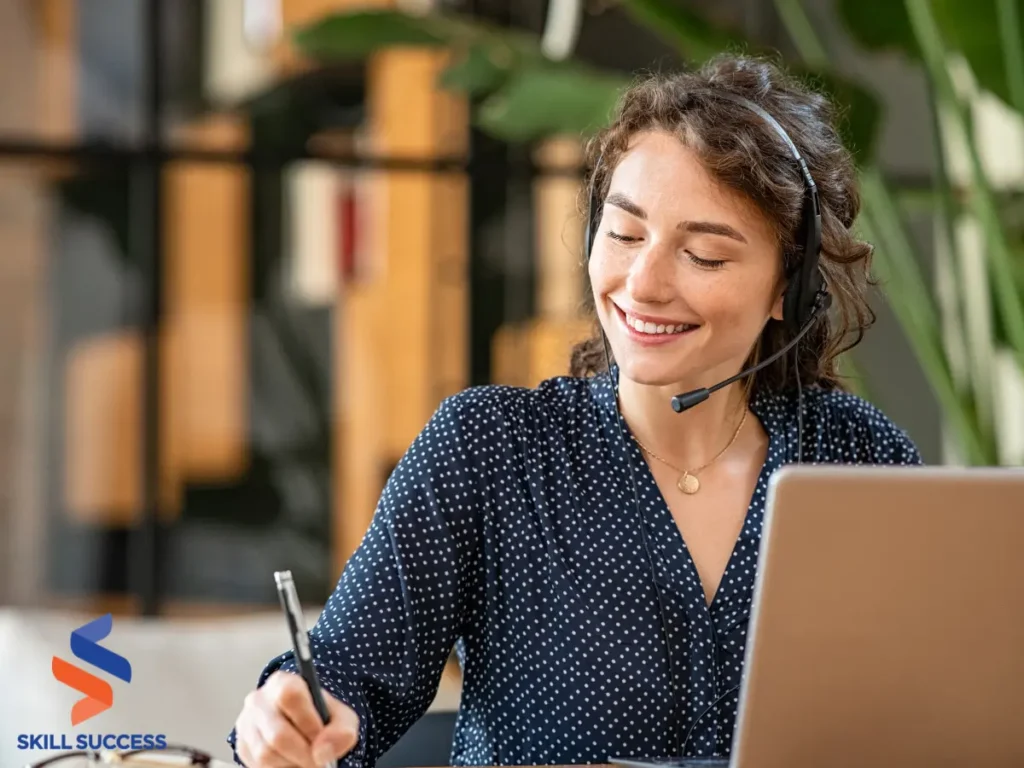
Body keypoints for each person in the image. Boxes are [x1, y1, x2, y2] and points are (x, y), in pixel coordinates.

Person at [228, 53, 922, 768]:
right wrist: (287, 723)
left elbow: (934, 712)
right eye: (624, 235)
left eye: (705, 256)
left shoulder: (859, 460)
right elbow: (342, 685)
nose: (642, 283)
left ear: (790, 289)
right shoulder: (489, 450)